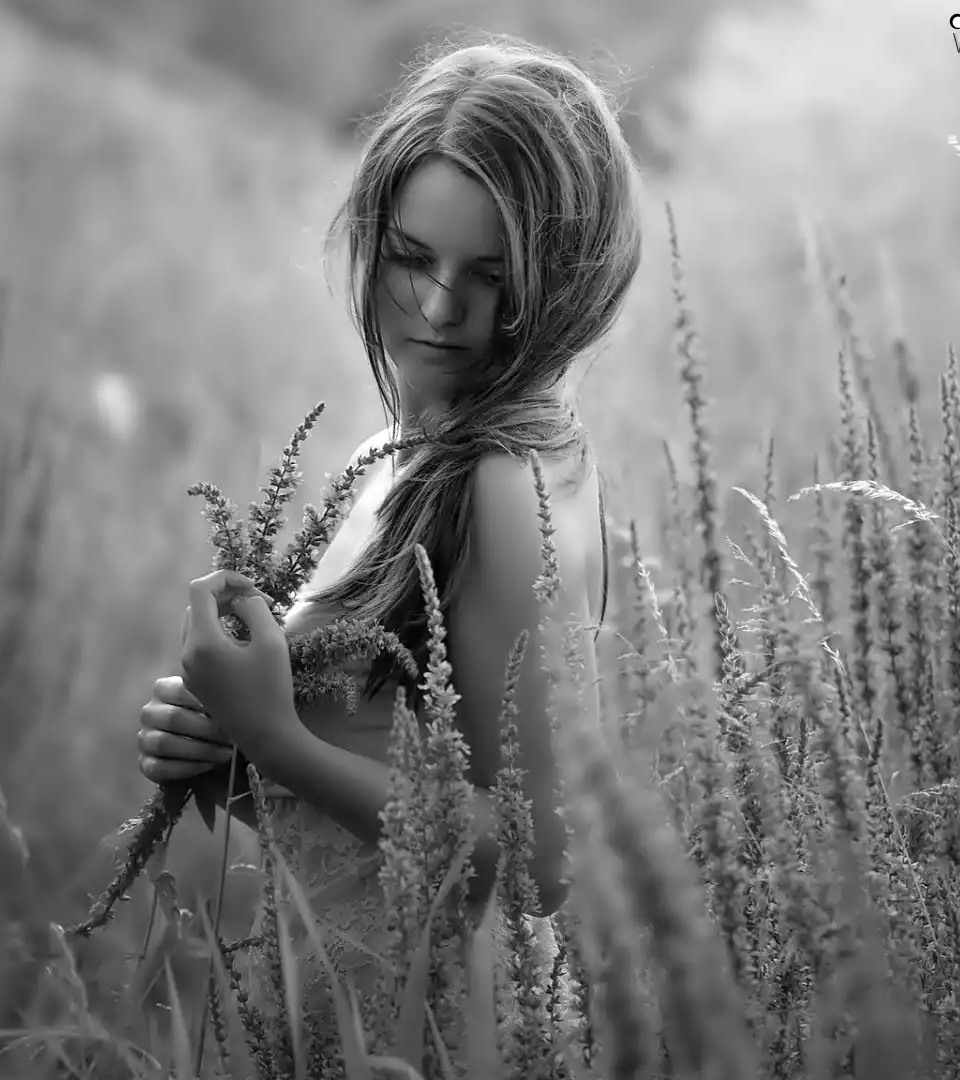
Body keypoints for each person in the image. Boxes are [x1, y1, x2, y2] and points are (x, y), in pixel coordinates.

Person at [132, 30, 640, 1040]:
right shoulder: (409, 449)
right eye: (412, 258)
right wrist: (232, 750)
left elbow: (540, 863)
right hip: (347, 1004)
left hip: (437, 1032)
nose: (439, 308)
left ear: (564, 280)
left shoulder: (499, 486)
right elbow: (381, 802)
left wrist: (274, 736)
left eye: (489, 276)